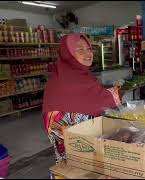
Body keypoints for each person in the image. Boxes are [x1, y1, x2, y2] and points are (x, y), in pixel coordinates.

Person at [42, 33, 121, 163]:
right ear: (67, 53)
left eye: (89, 48)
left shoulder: (84, 75)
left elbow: (95, 98)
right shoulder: (61, 82)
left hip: (95, 153)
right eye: (80, 49)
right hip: (76, 154)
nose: (88, 53)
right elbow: (59, 125)